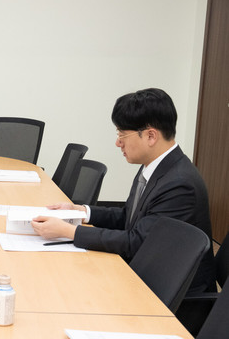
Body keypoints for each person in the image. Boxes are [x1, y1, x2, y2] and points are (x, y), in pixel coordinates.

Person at [31, 88, 216, 295]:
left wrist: (70, 232)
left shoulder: (180, 184)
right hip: (147, 273)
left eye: (122, 134)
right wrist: (82, 212)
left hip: (172, 296)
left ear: (151, 136)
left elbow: (137, 242)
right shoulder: (154, 166)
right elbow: (129, 217)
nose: (118, 142)